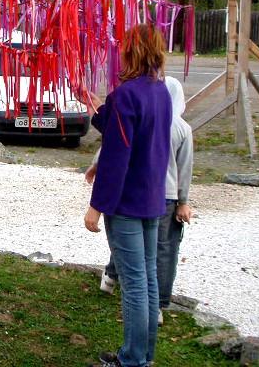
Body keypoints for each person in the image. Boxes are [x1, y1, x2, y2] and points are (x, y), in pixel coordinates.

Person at [83, 24, 173, 367]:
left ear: (131, 52)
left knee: (134, 283)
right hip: (152, 198)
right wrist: (96, 108)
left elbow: (117, 155)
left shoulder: (126, 95)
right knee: (146, 278)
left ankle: (133, 359)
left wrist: (96, 206)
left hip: (126, 203)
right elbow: (128, 130)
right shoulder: (160, 92)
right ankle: (143, 355)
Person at [87, 76, 194, 327]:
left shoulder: (143, 113)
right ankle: (156, 306)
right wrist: (183, 200)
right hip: (164, 195)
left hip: (135, 193)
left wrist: (96, 171)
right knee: (160, 252)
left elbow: (116, 145)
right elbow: (185, 166)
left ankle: (112, 278)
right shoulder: (181, 127)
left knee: (130, 249)